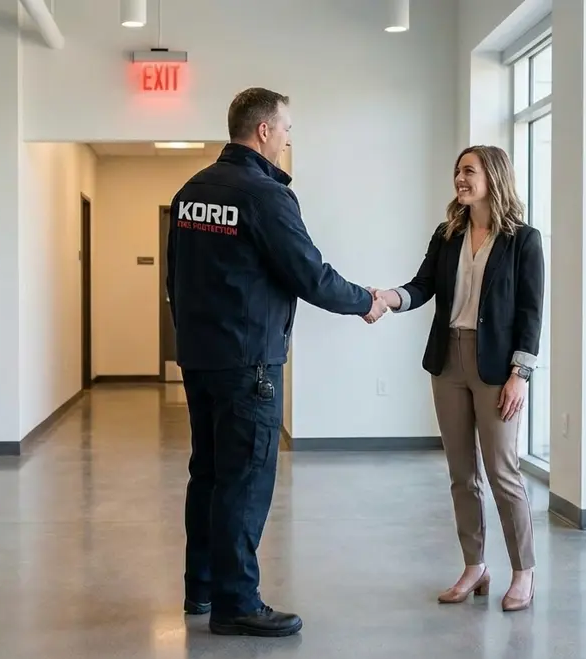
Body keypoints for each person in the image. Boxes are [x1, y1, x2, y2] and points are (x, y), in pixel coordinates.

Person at [166, 87, 389, 637]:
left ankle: (201, 587)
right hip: (250, 364)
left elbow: (175, 277)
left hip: (200, 359)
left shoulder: (192, 191)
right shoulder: (264, 195)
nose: (289, 138)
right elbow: (308, 274)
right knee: (243, 481)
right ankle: (237, 602)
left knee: (210, 474)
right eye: (286, 128)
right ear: (263, 130)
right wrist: (366, 299)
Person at [371, 145, 544, 612]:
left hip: (496, 367)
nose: (460, 179)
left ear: (494, 176)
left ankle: (523, 572)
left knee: (503, 472)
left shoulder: (523, 241)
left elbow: (530, 312)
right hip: (448, 361)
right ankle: (475, 565)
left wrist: (520, 375)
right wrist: (389, 297)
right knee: (461, 475)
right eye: (457, 171)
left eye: (469, 171)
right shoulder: (448, 235)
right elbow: (423, 286)